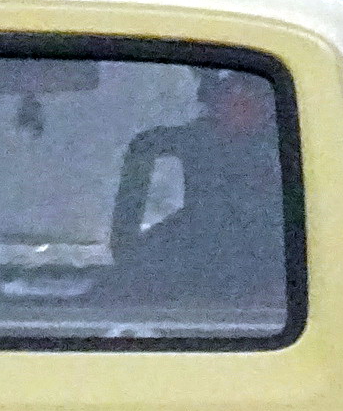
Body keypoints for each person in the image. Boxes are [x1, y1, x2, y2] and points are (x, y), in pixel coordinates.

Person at [107, 68, 287, 305]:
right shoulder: (162, 251)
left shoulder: (292, 237)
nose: (239, 101)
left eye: (253, 92)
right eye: (228, 92)